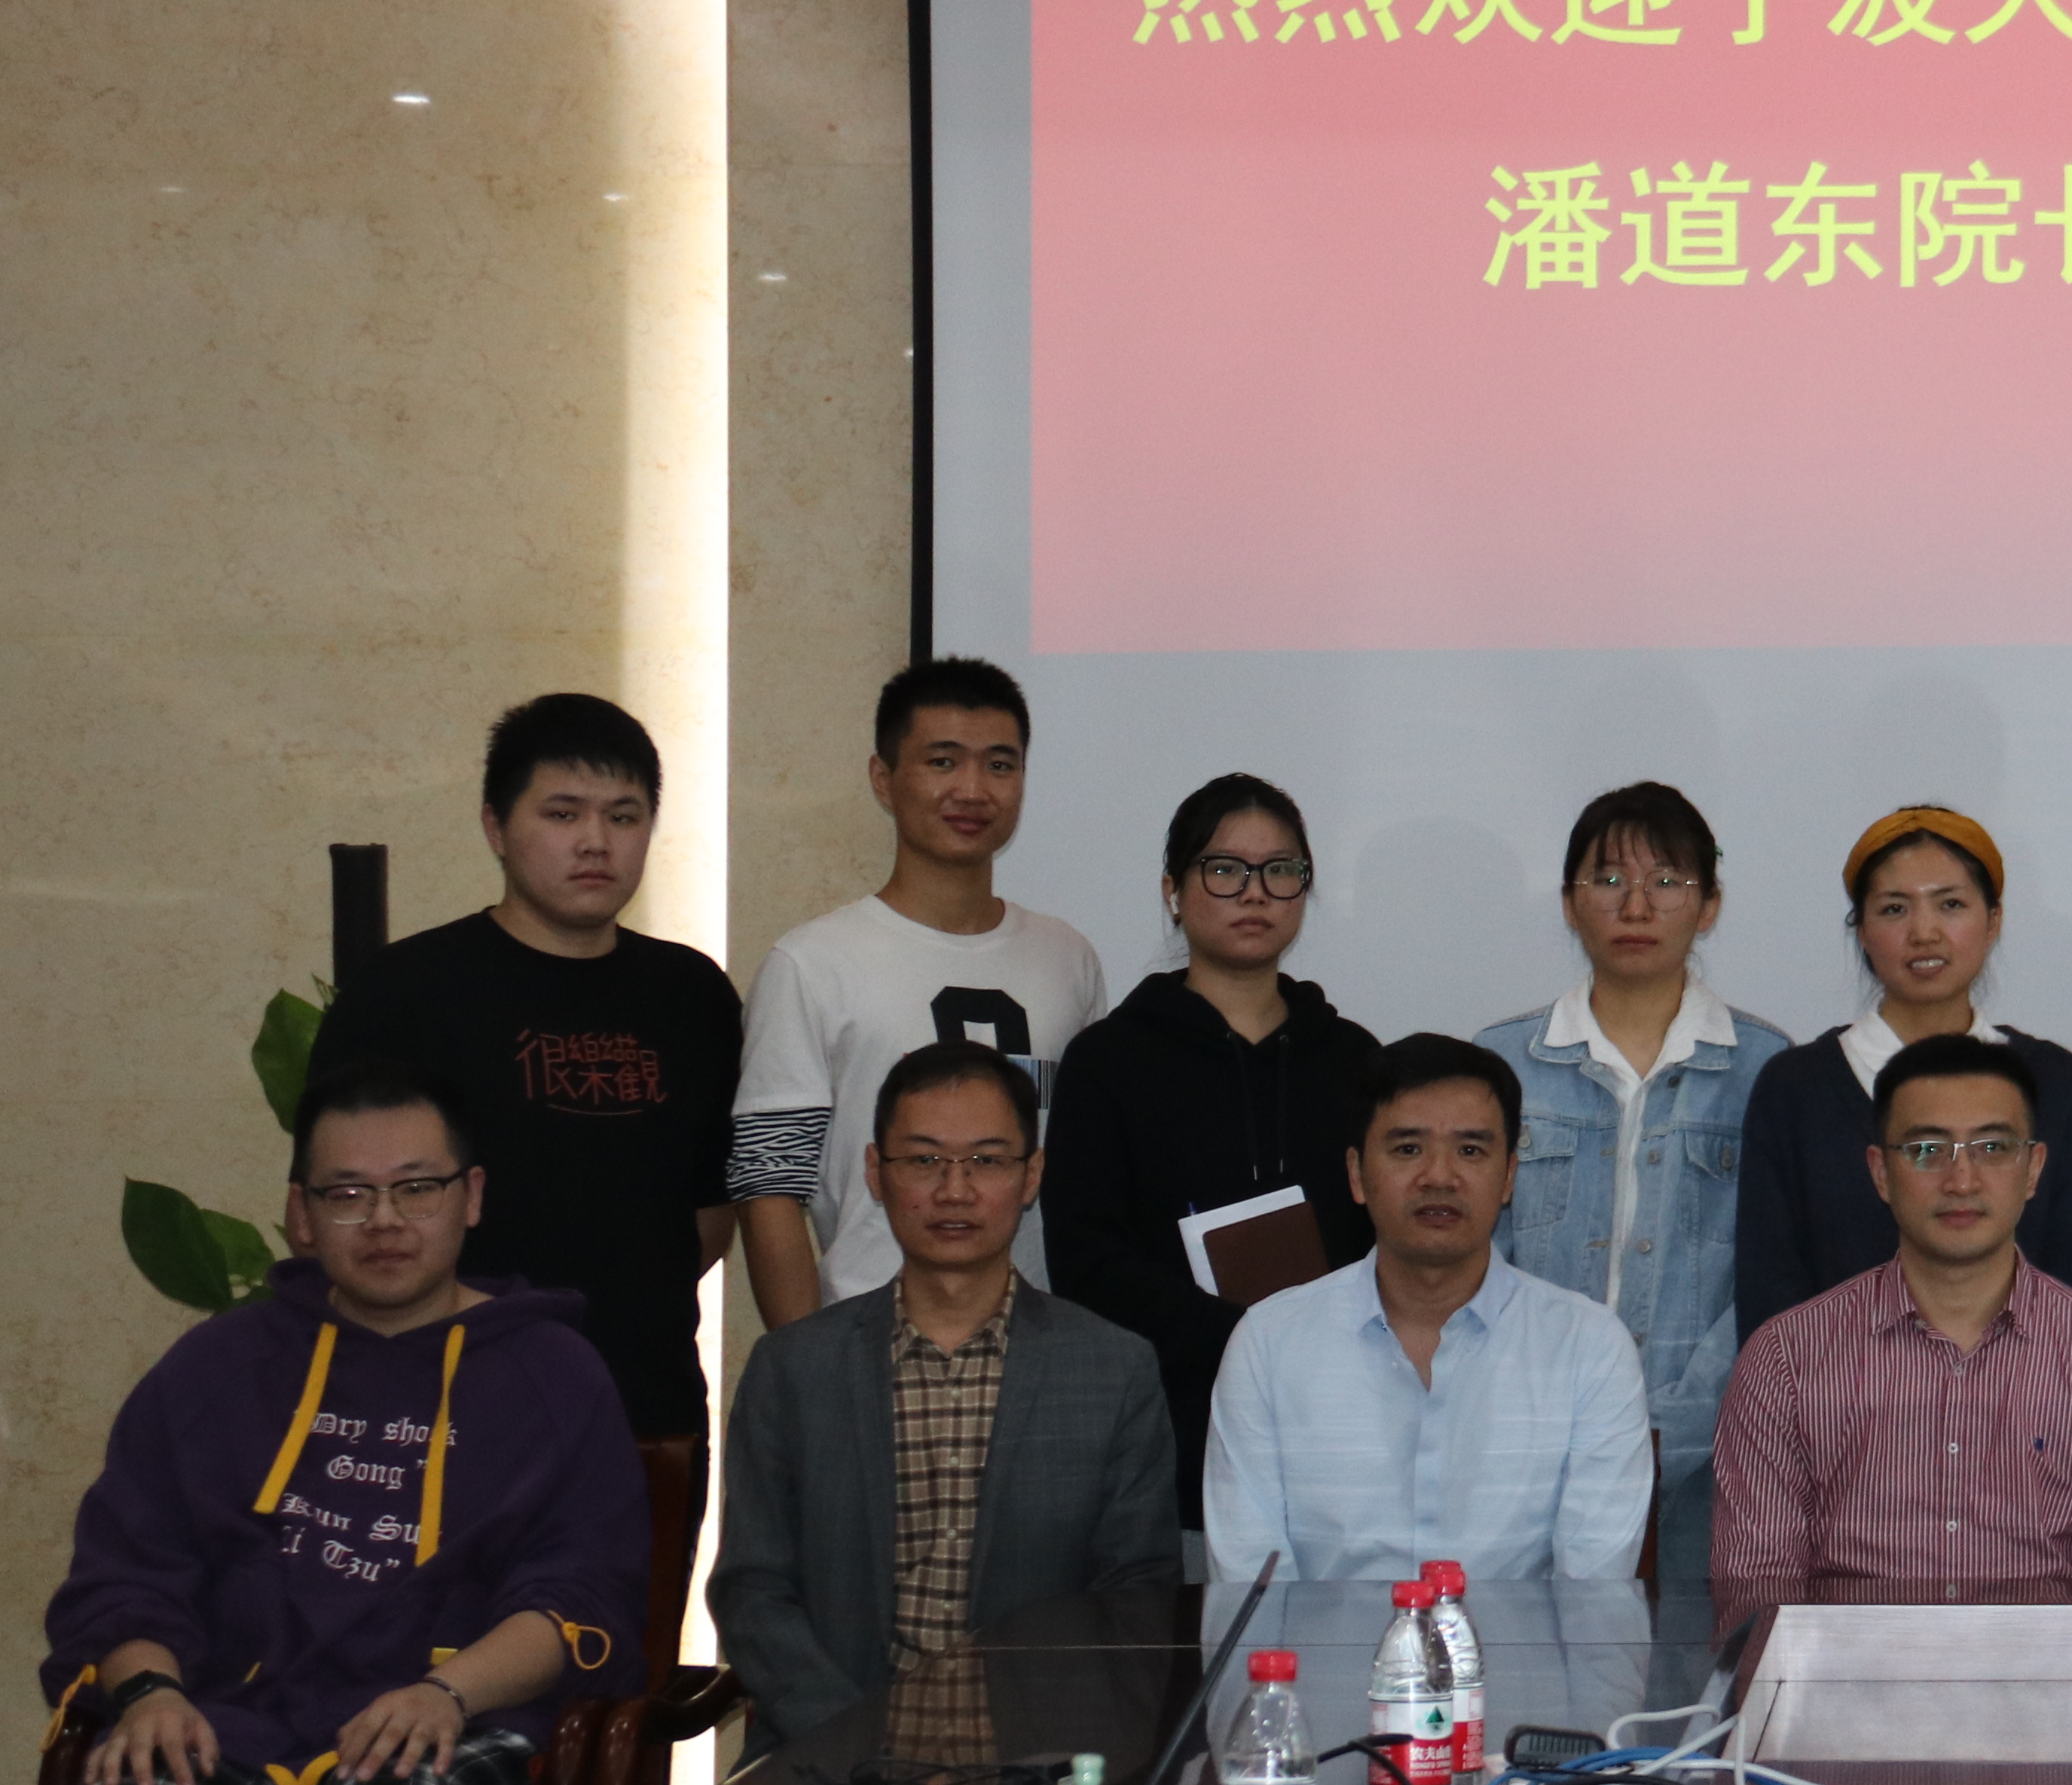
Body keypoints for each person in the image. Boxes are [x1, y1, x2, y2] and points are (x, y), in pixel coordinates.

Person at [40, 1065, 646, 1785]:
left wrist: (444, 1695)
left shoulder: (555, 1374)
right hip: (236, 1721)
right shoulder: (218, 1367)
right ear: (300, 1213)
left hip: (462, 1725)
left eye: (416, 1187)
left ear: (470, 1196)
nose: (384, 1221)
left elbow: (578, 1597)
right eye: (348, 1193)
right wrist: (148, 1694)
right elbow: (127, 1571)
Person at [709, 1041, 1181, 1750]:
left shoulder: (1114, 1370)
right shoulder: (793, 1368)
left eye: (987, 1161)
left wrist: (1012, 1753)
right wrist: (859, 1743)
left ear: (1031, 1175)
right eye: (924, 1160)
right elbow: (752, 1590)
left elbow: (1136, 1597)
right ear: (876, 1172)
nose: (954, 1190)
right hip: (826, 1762)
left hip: (1034, 1770)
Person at [310, 692, 741, 1456]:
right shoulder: (406, 991)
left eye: (624, 816)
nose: (596, 842)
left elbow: (710, 1219)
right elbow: (328, 1215)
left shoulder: (693, 994)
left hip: (645, 1411)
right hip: (445, 1410)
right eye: (563, 814)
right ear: (496, 827)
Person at [1710, 1030, 2072, 1603]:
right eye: (1926, 1151)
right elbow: (1756, 1595)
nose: (1962, 1181)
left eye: (1993, 1148)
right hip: (1852, 1661)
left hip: (2047, 1661)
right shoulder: (1787, 1359)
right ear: (1880, 1172)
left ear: (2034, 1169)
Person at [1039, 773, 1380, 1533]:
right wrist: (1244, 1337)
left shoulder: (1355, 1059)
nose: (1255, 892)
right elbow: (1087, 1261)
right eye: (1225, 870)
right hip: (1167, 1436)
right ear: (1173, 890)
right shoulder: (1108, 1061)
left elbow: (1385, 1238)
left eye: (1281, 870)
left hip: (1336, 1434)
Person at [1479, 781, 1791, 1597]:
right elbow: (1473, 1258)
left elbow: (1773, 1282)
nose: (1637, 905)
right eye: (1609, 879)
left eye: (1668, 881)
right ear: (1569, 902)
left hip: (1710, 1462)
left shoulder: (1770, 1070)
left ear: (1710, 905)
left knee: (1693, 1663)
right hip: (1524, 1451)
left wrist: (1674, 1429)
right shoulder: (1501, 1063)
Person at [731, 656, 1109, 1328]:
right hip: (867, 1340)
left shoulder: (1068, 960)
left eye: (1000, 764)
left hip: (1040, 1346)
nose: (973, 789)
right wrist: (807, 1367)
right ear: (883, 778)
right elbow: (770, 1186)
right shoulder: (811, 964)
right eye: (942, 762)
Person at [1205, 1034, 1652, 1585]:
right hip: (1323, 1646)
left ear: (1509, 1176)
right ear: (1356, 1175)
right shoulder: (1269, 1345)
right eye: (1408, 1149)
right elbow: (1252, 1586)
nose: (1439, 1176)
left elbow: (1592, 1594)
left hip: (1520, 1647)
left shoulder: (1589, 1349)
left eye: (1470, 1151)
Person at [1735, 805, 2072, 1337]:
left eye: (1951, 904)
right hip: (1833, 1390)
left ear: (1993, 921)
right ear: (1861, 931)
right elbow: (1769, 1298)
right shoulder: (1795, 1088)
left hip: (2024, 1391)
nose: (1924, 932)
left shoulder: (2053, 1083)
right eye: (1894, 909)